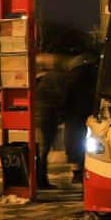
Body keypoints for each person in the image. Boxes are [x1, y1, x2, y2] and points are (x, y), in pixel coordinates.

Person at [62, 54, 99, 184]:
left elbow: (65, 100)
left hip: (74, 119)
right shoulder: (92, 81)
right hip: (88, 117)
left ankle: (76, 173)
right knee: (87, 145)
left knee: (74, 146)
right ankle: (86, 170)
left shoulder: (70, 81)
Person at [33, 55, 67, 189]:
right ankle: (41, 181)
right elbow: (58, 98)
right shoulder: (52, 78)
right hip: (48, 117)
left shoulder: (37, 79)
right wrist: (61, 113)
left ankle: (39, 179)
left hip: (39, 117)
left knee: (40, 150)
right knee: (43, 151)